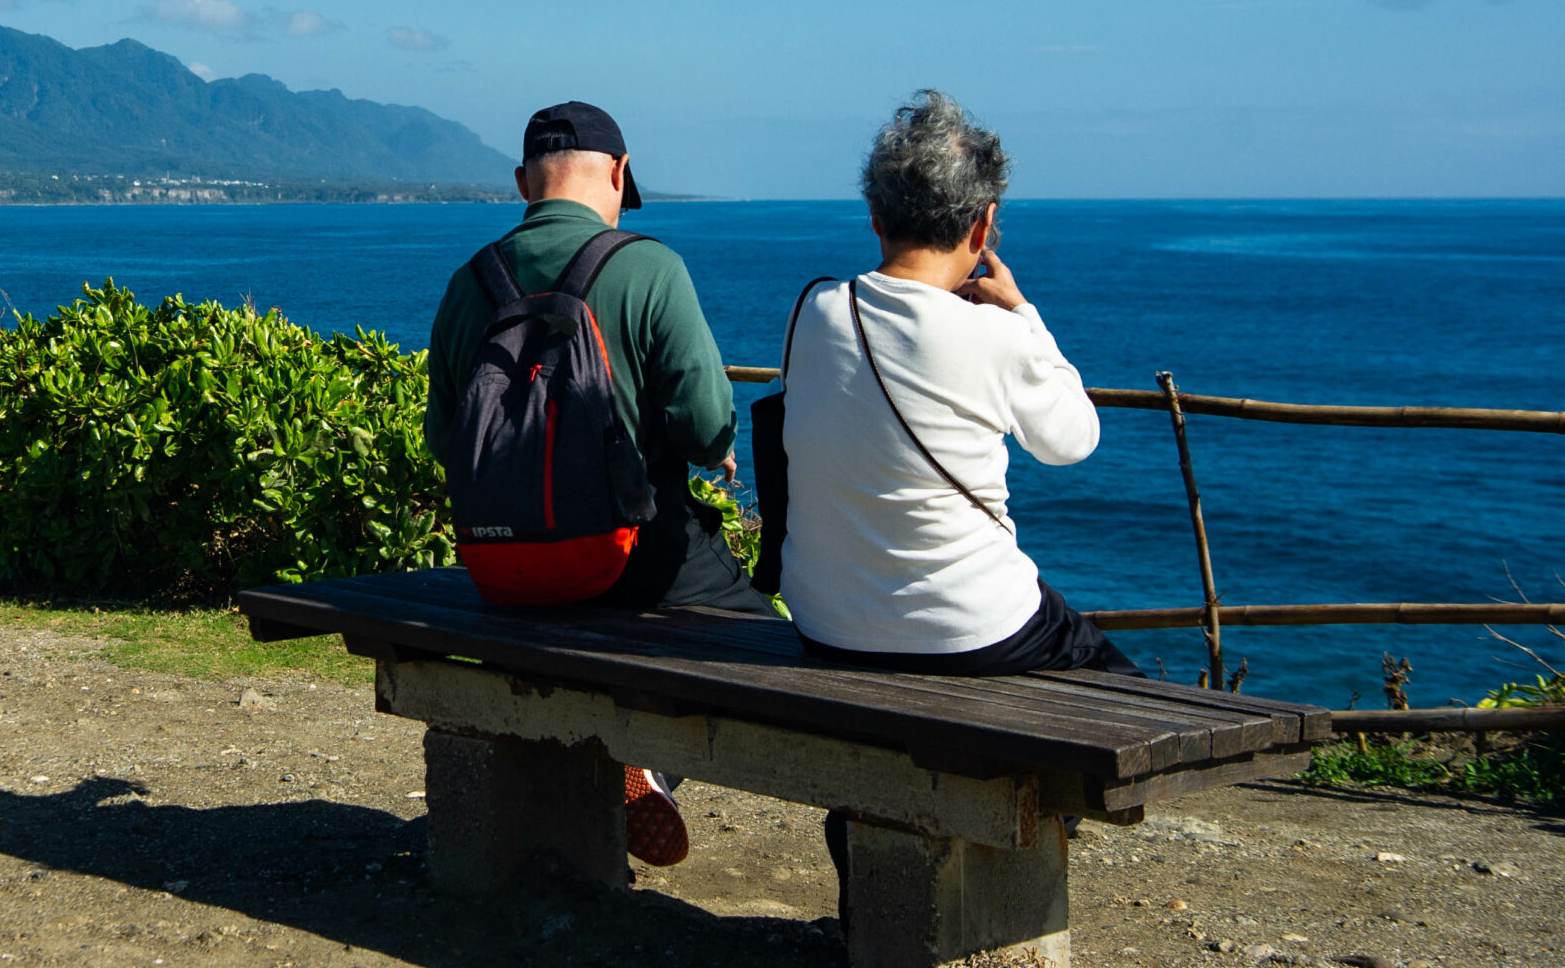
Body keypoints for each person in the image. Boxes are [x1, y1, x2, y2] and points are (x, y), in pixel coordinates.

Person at [769, 91, 1138, 901]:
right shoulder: (995, 334)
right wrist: (1024, 314)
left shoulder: (814, 310)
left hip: (827, 625)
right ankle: (1004, 859)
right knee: (1117, 681)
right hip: (973, 630)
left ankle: (892, 840)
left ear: (875, 213)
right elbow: (1074, 439)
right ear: (983, 226)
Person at [427, 101, 769, 869]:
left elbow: (444, 442)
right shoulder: (649, 267)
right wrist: (715, 448)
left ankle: (624, 764)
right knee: (762, 632)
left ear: (523, 180)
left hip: (503, 569)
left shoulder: (468, 283)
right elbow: (708, 424)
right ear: (617, 172)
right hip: (631, 558)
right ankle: (652, 757)